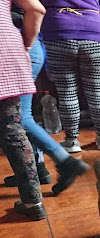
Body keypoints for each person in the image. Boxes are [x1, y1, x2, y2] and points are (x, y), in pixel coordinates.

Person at [5, 4, 90, 195]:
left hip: (21, 47)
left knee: (17, 117)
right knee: (22, 114)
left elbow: (36, 9)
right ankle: (36, 168)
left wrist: (25, 46)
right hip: (27, 46)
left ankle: (65, 162)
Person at [41, 0, 100, 153]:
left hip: (58, 30)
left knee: (67, 91)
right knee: (97, 91)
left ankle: (71, 140)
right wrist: (91, 20)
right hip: (94, 30)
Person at [0, 0, 47, 220]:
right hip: (7, 50)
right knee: (14, 131)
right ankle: (33, 201)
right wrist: (27, 45)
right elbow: (36, 8)